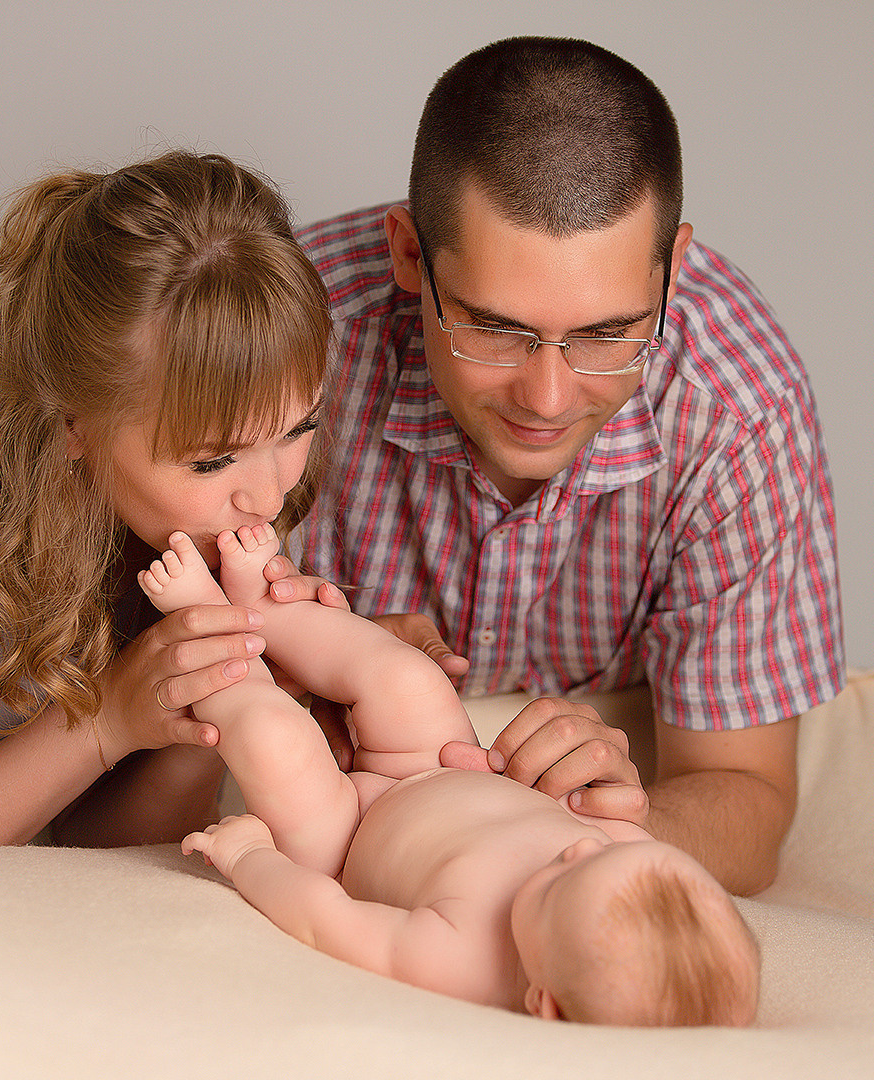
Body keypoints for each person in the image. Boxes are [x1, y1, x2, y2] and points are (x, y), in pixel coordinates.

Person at [288, 37, 845, 896]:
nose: (547, 399)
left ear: (673, 272)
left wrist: (618, 820)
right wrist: (295, 668)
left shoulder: (740, 411)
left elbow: (747, 800)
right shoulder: (291, 343)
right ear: (408, 255)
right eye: (494, 328)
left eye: (606, 335)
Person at [0, 150, 334, 847]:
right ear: (73, 422)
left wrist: (228, 696)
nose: (267, 498)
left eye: (300, 429)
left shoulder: (222, 480)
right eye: (211, 461)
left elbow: (106, 843)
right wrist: (107, 718)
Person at [148, 526, 759, 1025]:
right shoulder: (614, 857)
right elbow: (605, 814)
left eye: (559, 883)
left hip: (344, 836)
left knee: (274, 739)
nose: (578, 848)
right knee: (409, 678)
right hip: (436, 762)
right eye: (606, 852)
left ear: (542, 1003)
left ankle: (211, 629)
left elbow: (324, 918)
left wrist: (249, 857)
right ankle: (264, 611)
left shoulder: (460, 961)